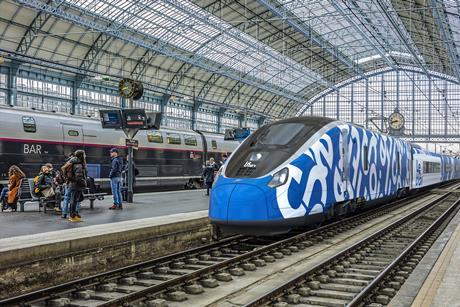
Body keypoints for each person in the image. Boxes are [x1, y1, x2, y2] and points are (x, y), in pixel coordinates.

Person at [62, 149, 87, 222]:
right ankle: (73, 216)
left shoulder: (73, 162)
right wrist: (83, 182)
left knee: (75, 199)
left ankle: (74, 214)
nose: (85, 156)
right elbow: (78, 177)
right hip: (76, 185)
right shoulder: (78, 165)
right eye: (84, 154)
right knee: (74, 200)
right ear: (81, 156)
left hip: (73, 184)